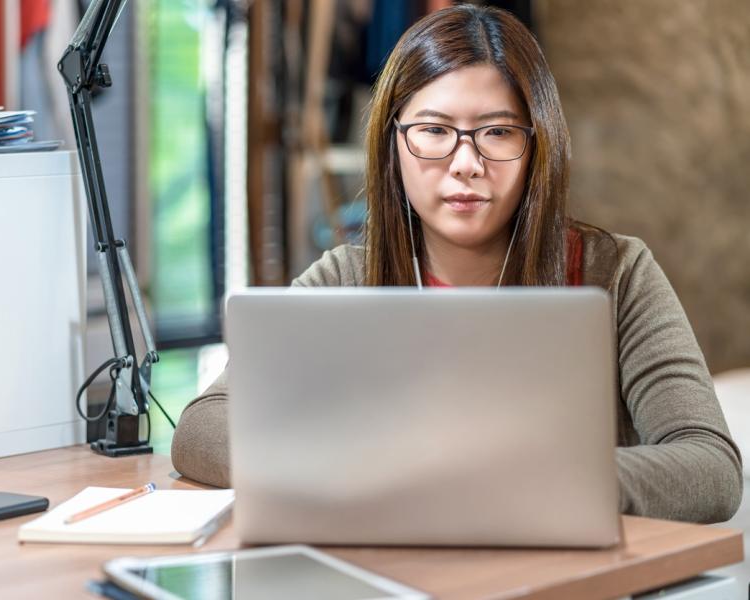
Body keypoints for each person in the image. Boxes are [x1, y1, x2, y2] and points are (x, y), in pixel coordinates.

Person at [171, 4, 742, 523]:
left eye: (496, 132)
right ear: (394, 143)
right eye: (435, 131)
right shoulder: (346, 277)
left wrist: (539, 479)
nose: (466, 162)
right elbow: (202, 428)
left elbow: (711, 468)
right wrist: (360, 463)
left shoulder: (614, 272)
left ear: (538, 142)